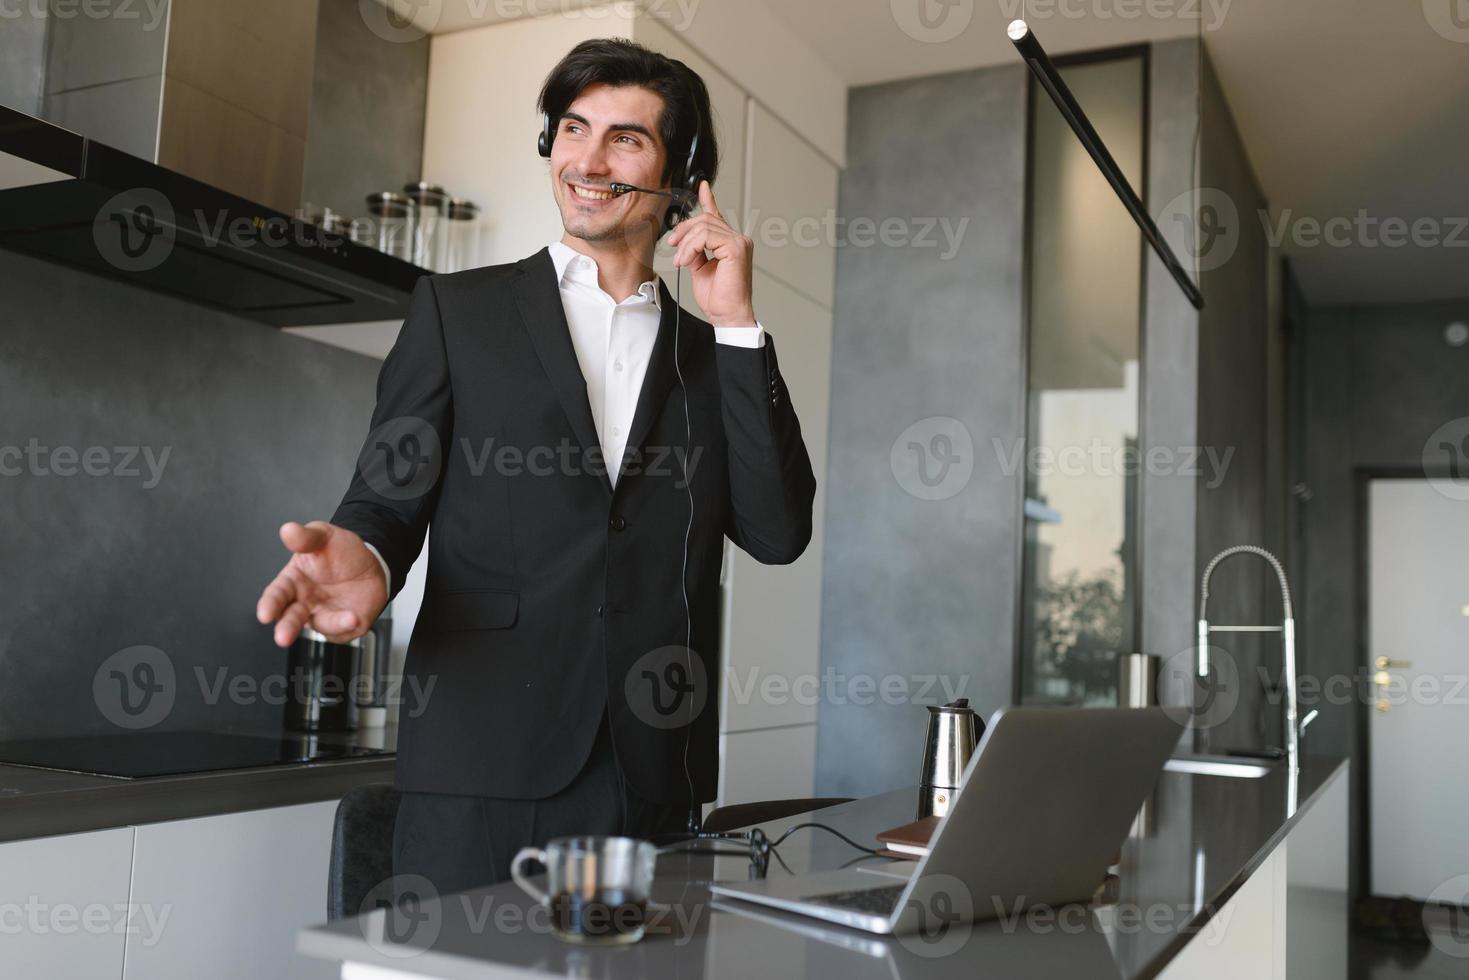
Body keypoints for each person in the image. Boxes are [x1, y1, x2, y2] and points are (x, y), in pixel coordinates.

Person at [254, 38, 816, 897]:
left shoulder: (712, 354)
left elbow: (777, 534)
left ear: (684, 170)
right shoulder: (458, 313)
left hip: (654, 774)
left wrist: (737, 323)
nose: (588, 160)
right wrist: (366, 558)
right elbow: (386, 497)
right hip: (483, 764)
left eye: (625, 139)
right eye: (572, 129)